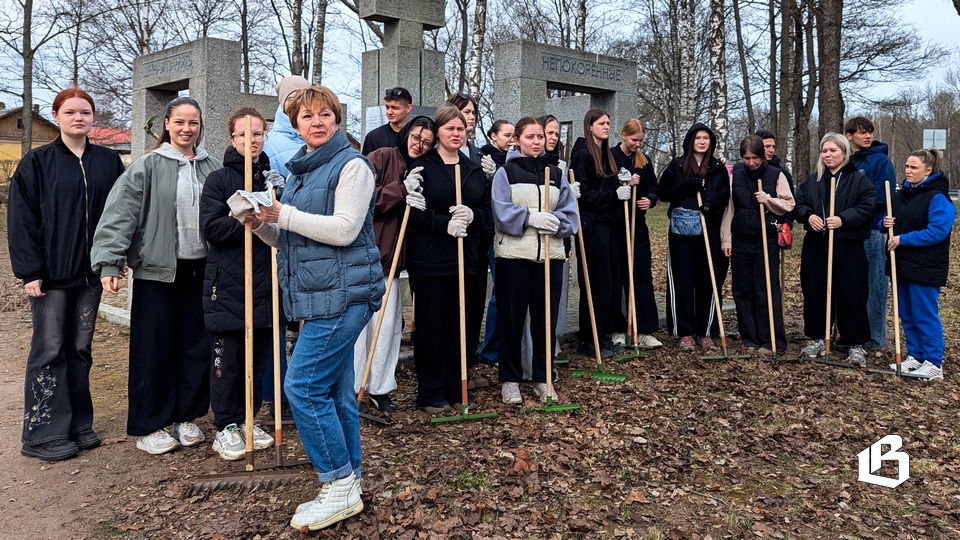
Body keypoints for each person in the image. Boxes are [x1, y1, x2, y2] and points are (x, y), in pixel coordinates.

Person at [251, 86, 384, 531]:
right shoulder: (301, 173)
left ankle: (338, 482)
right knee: (333, 392)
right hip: (321, 293)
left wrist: (280, 215)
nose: (317, 122)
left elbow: (345, 230)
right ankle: (352, 480)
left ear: (337, 119)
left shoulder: (352, 165)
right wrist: (260, 225)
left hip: (344, 294)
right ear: (295, 124)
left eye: (325, 114)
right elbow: (295, 237)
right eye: (306, 116)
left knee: (303, 386)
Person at [92, 96, 221, 455]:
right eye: (179, 122)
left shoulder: (210, 166)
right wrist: (110, 262)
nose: (186, 129)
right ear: (167, 124)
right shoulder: (147, 166)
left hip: (201, 269)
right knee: (155, 346)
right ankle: (151, 423)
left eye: (193, 123)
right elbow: (120, 215)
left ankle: (187, 416)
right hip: (157, 271)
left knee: (196, 346)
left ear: (200, 126)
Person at [8, 88, 124, 461]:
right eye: (70, 112)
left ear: (93, 118)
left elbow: (120, 214)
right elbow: (22, 220)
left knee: (80, 348)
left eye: (86, 112)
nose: (79, 118)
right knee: (50, 349)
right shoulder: (37, 162)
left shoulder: (108, 161)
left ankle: (77, 423)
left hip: (90, 274)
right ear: (57, 116)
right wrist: (30, 271)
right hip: (52, 274)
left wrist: (114, 261)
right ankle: (42, 432)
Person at [199, 107, 279, 461]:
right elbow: (211, 229)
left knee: (258, 357)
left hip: (264, 283)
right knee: (227, 360)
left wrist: (270, 212)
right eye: (244, 134)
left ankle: (250, 418)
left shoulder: (271, 181)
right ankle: (226, 425)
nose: (252, 140)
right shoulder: (218, 180)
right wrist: (245, 219)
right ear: (232, 139)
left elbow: (280, 230)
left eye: (258, 133)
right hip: (228, 285)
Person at [406, 105, 490, 412]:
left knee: (460, 324)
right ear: (438, 132)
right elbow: (416, 214)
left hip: (464, 259)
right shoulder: (423, 168)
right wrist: (445, 224)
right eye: (449, 129)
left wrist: (472, 215)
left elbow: (486, 211)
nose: (456, 133)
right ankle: (431, 390)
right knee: (431, 326)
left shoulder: (474, 169)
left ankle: (457, 386)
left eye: (460, 129)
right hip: (430, 259)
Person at [353, 116, 437, 412]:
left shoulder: (425, 170)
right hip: (366, 257)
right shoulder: (383, 156)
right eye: (416, 137)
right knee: (361, 328)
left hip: (394, 264)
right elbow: (362, 199)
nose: (419, 145)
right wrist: (401, 191)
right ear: (406, 134)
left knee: (387, 328)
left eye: (426, 142)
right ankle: (355, 387)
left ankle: (380, 387)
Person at [492, 117, 578, 404]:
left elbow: (570, 213)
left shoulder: (555, 173)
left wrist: (558, 223)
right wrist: (529, 218)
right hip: (514, 257)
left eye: (540, 136)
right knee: (512, 321)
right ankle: (510, 379)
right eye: (530, 136)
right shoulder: (507, 172)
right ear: (517, 138)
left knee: (545, 321)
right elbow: (501, 211)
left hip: (550, 257)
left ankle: (543, 376)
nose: (537, 141)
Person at [794, 133, 876, 366]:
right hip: (817, 245)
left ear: (844, 152)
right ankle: (818, 337)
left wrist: (843, 219)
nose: (828, 155)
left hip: (848, 245)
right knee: (815, 290)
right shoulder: (812, 180)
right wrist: (808, 216)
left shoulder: (859, 180)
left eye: (833, 151)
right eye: (824, 151)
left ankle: (855, 342)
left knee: (852, 292)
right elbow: (799, 204)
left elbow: (868, 205)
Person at [260, 75, 311, 421]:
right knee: (277, 318)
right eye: (290, 95)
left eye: (302, 95)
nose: (296, 101)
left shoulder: (314, 134)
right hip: (278, 237)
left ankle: (304, 391)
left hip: (312, 235)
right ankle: (275, 394)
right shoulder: (272, 140)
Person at [880, 148, 955, 380]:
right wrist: (886, 223)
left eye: (913, 167)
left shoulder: (938, 198)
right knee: (907, 313)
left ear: (928, 170)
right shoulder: (902, 195)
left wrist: (904, 239)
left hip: (925, 266)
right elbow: (891, 225)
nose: (908, 171)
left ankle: (934, 362)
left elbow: (937, 232)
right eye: (906, 166)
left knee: (924, 314)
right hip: (902, 263)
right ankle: (916, 355)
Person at [658, 123, 730, 350]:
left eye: (706, 138)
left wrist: (710, 203)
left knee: (707, 280)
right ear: (690, 141)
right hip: (681, 231)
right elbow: (664, 193)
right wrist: (688, 185)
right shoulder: (677, 165)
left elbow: (725, 193)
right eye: (698, 138)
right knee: (682, 280)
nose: (702, 141)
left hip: (707, 230)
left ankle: (705, 331)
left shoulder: (717, 168)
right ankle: (684, 332)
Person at [720, 135, 794, 355]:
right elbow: (730, 209)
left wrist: (768, 200)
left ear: (762, 156)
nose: (751, 162)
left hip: (766, 239)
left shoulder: (776, 174)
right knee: (742, 289)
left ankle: (772, 339)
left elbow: (789, 205)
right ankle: (749, 337)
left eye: (754, 158)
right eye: (746, 158)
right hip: (742, 239)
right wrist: (726, 238)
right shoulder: (738, 175)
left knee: (765, 289)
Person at [571, 108, 627, 359]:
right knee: (596, 282)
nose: (606, 127)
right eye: (601, 123)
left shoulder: (606, 154)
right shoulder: (583, 155)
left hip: (609, 224)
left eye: (608, 123)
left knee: (612, 281)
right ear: (590, 126)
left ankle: (601, 334)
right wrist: (612, 195)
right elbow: (585, 195)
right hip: (592, 226)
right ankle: (588, 337)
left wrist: (622, 184)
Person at [445, 91, 493, 387]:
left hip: (476, 239)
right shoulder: (442, 152)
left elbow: (487, 200)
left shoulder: (477, 153)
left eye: (473, 111)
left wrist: (492, 176)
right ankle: (452, 366)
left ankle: (468, 363)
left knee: (475, 305)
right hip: (448, 241)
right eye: (464, 111)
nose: (470, 116)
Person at [846, 116, 897, 350]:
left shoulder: (880, 161)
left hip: (873, 231)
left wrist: (854, 204)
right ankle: (853, 332)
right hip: (848, 232)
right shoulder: (846, 160)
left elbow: (881, 197)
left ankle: (874, 337)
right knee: (853, 285)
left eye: (870, 132)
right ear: (849, 136)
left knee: (875, 284)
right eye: (861, 132)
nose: (867, 136)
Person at [611, 118, 662, 349]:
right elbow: (605, 186)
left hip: (637, 225)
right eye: (634, 140)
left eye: (641, 140)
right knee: (617, 275)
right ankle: (618, 328)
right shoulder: (611, 157)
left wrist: (649, 200)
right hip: (616, 224)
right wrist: (623, 185)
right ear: (623, 135)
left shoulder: (644, 161)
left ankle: (643, 328)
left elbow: (654, 188)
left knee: (641, 274)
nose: (637, 144)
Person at [476, 119, 514, 366]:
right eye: (507, 134)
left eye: (514, 135)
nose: (511, 139)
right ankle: (490, 349)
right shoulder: (484, 157)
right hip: (492, 233)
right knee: (499, 294)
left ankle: (498, 346)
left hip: (509, 233)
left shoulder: (510, 160)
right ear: (493, 136)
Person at [362, 87, 414, 155]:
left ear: (408, 108)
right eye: (387, 107)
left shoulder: (418, 136)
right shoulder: (373, 137)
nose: (389, 112)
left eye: (395, 108)